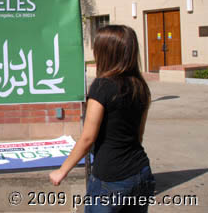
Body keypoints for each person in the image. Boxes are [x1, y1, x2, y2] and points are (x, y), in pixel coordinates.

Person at [49, 25, 155, 212]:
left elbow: (88, 138)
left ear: (106, 52)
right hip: (141, 173)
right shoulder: (141, 87)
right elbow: (139, 135)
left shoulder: (102, 87)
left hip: (110, 180)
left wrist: (62, 170)